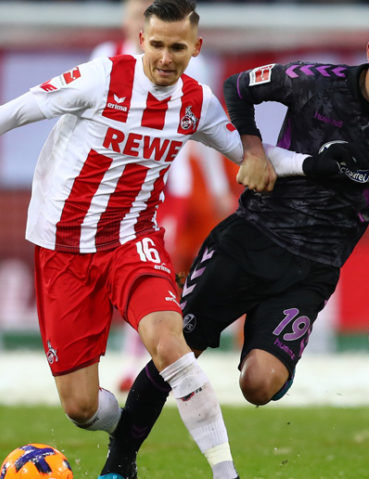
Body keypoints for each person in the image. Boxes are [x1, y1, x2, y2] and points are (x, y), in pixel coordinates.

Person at [0, 2, 337, 478]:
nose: (166, 58)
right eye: (157, 45)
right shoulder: (101, 79)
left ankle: (225, 473)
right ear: (142, 40)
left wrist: (314, 165)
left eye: (178, 48)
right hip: (62, 249)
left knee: (171, 346)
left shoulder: (196, 102)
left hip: (131, 240)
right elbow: (17, 110)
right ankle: (125, 436)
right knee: (81, 407)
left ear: (195, 48)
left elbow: (251, 155)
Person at [100, 5, 369, 478]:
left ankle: (274, 351)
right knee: (176, 354)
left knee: (258, 384)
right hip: (250, 239)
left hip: (313, 269)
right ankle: (119, 464)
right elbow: (238, 86)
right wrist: (253, 151)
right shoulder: (314, 81)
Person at [91, 0, 234, 394]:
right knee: (121, 273)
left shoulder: (190, 66)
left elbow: (206, 132)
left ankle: (140, 360)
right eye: (132, 10)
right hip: (115, 188)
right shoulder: (105, 58)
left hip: (168, 185)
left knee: (153, 272)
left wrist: (218, 187)